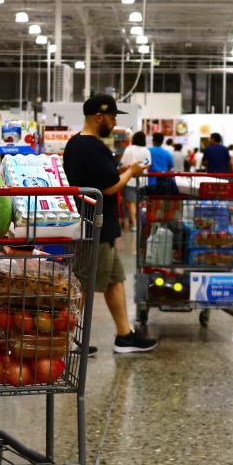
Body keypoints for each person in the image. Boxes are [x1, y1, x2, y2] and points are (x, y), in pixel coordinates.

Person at [63, 94, 157, 354]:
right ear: (99, 117)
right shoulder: (91, 146)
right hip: (94, 228)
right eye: (113, 116)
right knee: (81, 284)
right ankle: (66, 340)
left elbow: (99, 177)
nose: (115, 122)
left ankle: (125, 336)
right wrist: (131, 173)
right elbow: (107, 187)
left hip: (99, 228)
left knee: (115, 279)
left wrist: (123, 168)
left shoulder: (76, 145)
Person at [120, 131, 151, 232]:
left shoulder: (129, 149)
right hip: (142, 181)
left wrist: (132, 166)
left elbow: (122, 164)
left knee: (132, 203)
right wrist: (140, 164)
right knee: (139, 203)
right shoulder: (146, 150)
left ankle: (134, 224)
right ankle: (140, 223)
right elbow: (148, 163)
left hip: (129, 180)